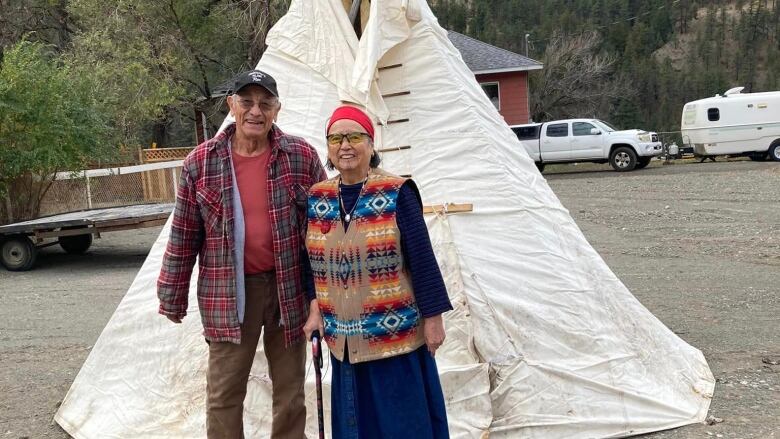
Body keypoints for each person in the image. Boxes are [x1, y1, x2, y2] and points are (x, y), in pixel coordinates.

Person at [157, 69, 327, 439]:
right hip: (228, 294)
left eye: (265, 104)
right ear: (231, 105)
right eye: (247, 102)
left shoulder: (300, 156)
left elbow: (323, 232)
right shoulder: (200, 163)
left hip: (289, 290)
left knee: (290, 392)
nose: (255, 111)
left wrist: (322, 297)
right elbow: (184, 236)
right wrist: (172, 296)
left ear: (277, 110)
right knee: (224, 394)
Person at [303, 105, 453, 438]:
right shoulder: (318, 197)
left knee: (402, 425)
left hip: (394, 338)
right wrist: (314, 306)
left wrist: (433, 318)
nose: (345, 145)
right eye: (336, 138)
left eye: (355, 136)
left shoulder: (397, 192)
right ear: (327, 147)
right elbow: (308, 261)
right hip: (343, 339)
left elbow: (422, 259)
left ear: (371, 145)